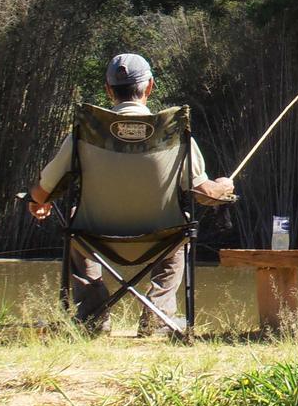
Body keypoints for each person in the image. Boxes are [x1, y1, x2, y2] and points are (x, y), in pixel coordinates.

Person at [29, 53, 234, 335]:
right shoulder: (174, 132)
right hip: (160, 240)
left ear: (108, 90)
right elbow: (205, 194)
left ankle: (92, 316)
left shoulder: (84, 133)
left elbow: (42, 193)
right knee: (182, 224)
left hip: (95, 240)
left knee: (75, 220)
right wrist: (224, 186)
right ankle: (157, 318)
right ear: (150, 86)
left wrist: (39, 201)